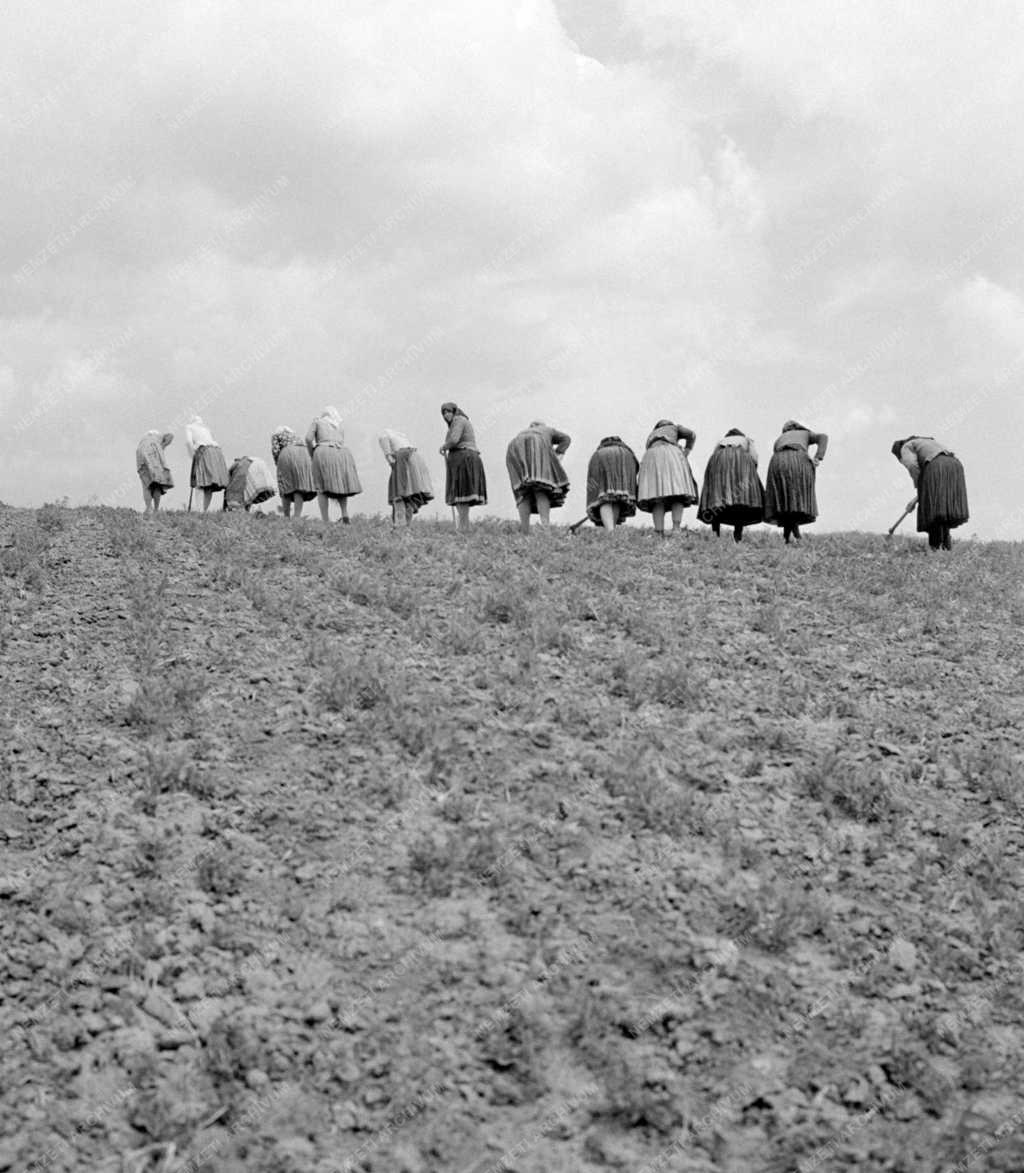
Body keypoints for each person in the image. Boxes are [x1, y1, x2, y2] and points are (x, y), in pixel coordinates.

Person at [891, 436, 969, 550]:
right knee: (943, 509)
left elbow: (912, 465)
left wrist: (920, 489)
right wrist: (918, 496)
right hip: (955, 467)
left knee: (931, 509)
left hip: (936, 466)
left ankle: (935, 548)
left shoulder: (905, 448)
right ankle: (946, 548)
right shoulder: (926, 441)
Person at [764, 420, 828, 543]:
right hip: (797, 460)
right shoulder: (804, 433)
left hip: (777, 462)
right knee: (796, 500)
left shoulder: (779, 439)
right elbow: (823, 437)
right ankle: (796, 536)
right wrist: (818, 457)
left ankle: (787, 537)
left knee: (785, 501)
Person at [697, 428, 765, 542]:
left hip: (718, 461)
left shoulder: (721, 442)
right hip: (741, 461)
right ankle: (737, 534)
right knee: (741, 500)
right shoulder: (746, 440)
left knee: (717, 499)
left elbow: (714, 454)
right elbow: (754, 457)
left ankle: (716, 533)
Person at [506, 421, 571, 532]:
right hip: (536, 443)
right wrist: (558, 455)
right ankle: (546, 529)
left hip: (513, 448)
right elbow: (566, 439)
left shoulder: (522, 433)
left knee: (522, 492)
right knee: (541, 489)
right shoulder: (547, 429)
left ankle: (525, 531)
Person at [637, 419, 699, 535]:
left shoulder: (651, 436)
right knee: (678, 495)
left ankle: (659, 531)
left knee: (656, 498)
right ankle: (676, 529)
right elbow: (692, 435)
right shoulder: (675, 428)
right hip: (672, 454)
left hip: (651, 457)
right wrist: (687, 450)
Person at [305, 406, 362, 523]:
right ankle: (345, 515)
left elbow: (308, 438)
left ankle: (325, 519)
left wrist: (312, 453)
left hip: (323, 451)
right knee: (341, 485)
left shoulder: (317, 422)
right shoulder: (339, 425)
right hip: (343, 453)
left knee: (321, 487)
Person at [439, 402, 487, 531]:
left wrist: (444, 447)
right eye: (443, 413)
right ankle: (464, 527)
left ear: (454, 411)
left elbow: (454, 439)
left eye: (448, 411)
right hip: (463, 458)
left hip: (464, 458)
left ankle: (463, 527)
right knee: (462, 497)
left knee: (462, 494)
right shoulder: (455, 423)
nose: (446, 415)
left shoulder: (459, 420)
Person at [379, 428, 434, 527]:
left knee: (398, 493)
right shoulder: (400, 435)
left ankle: (400, 524)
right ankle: (406, 523)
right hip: (416, 459)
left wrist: (392, 465)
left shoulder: (383, 436)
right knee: (410, 494)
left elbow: (389, 458)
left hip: (402, 458)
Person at [585, 436, 639, 532]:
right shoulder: (627, 451)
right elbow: (636, 467)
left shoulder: (599, 452)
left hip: (601, 458)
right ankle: (611, 529)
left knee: (604, 497)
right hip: (626, 458)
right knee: (616, 499)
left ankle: (610, 530)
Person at [185, 415, 230, 512]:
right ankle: (204, 510)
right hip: (216, 453)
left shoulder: (189, 427)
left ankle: (200, 511)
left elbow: (189, 442)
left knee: (200, 483)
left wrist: (192, 454)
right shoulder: (206, 429)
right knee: (209, 484)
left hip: (204, 451)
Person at [271, 426, 316, 519]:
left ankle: (286, 516)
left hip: (286, 453)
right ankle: (297, 516)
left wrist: (278, 463)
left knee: (286, 487)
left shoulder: (276, 435)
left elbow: (275, 451)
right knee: (299, 487)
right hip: (304, 454)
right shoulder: (295, 436)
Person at [136, 431, 174, 514]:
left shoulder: (146, 437)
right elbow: (171, 436)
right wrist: (163, 446)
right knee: (157, 484)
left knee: (146, 484)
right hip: (153, 449)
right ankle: (156, 509)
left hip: (141, 451)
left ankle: (149, 508)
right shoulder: (159, 436)